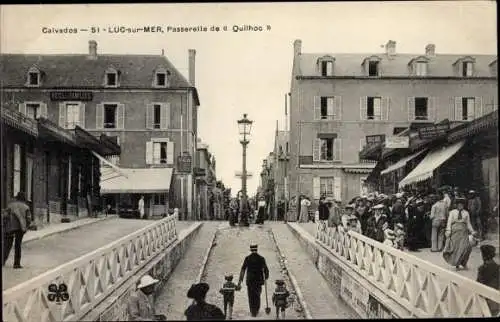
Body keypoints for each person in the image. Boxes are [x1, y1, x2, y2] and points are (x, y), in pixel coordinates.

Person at [443, 197, 476, 271]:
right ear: (456, 205)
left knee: (466, 248)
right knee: (456, 249)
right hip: (455, 232)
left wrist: (472, 231)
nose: (460, 206)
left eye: (462, 204)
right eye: (459, 204)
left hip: (464, 232)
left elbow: (468, 223)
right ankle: (457, 263)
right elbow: (449, 222)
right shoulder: (452, 212)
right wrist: (448, 230)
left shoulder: (466, 213)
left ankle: (464, 263)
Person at [237, 244, 270, 317]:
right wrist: (266, 277)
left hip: (250, 280)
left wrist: (240, 281)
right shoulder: (261, 258)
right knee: (257, 295)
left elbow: (243, 269)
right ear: (257, 249)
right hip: (259, 281)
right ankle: (257, 310)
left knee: (251, 296)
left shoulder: (247, 258)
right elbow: (266, 270)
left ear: (251, 250)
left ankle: (253, 311)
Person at [2, 192, 32, 269]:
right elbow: (29, 219)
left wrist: (5, 226)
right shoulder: (26, 207)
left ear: (16, 198)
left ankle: (3, 261)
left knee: (7, 245)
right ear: (24, 199)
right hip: (20, 229)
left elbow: (5, 217)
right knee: (17, 245)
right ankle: (16, 264)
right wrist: (26, 227)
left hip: (10, 228)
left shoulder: (10, 205)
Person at [476, 245, 499, 316]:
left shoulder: (482, 269)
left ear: (483, 256)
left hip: (486, 300)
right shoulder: (498, 268)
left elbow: (478, 284)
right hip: (496, 299)